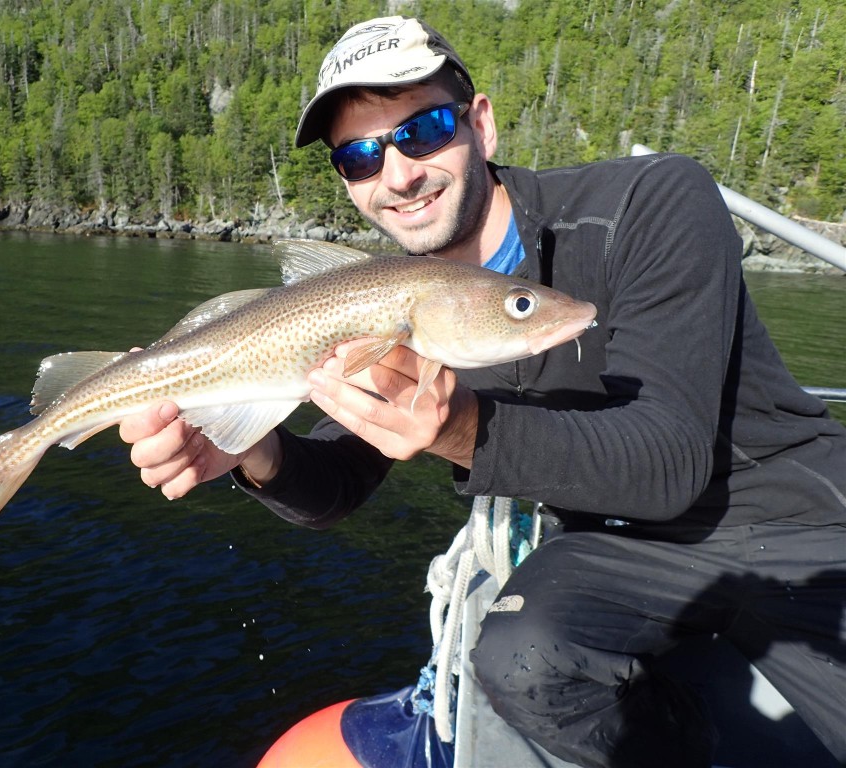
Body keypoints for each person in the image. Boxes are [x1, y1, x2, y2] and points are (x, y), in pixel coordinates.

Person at [119, 15, 846, 768]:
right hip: (619, 554)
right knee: (516, 650)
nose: (397, 174)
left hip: (798, 528)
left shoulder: (650, 202)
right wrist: (251, 450)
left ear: (482, 124)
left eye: (425, 129)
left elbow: (668, 459)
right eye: (361, 155)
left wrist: (463, 429)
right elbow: (334, 485)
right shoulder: (401, 302)